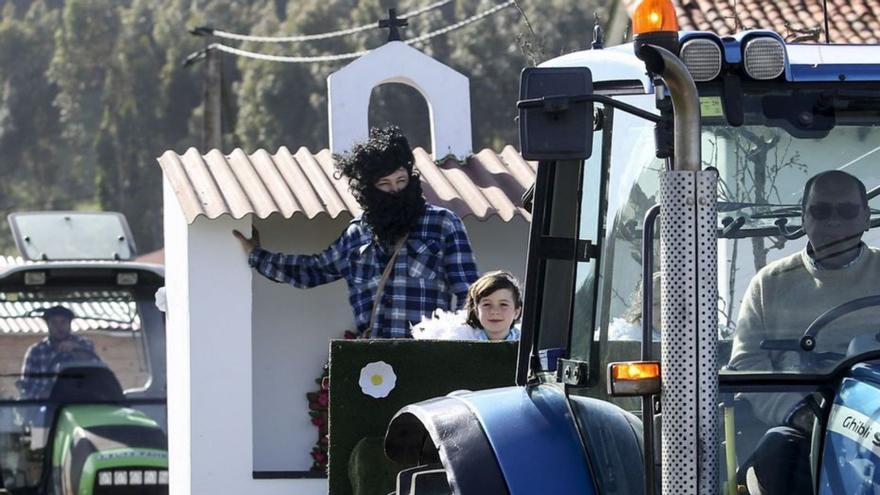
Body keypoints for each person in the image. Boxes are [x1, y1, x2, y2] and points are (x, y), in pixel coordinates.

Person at [234, 126, 479, 338]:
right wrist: (256, 256)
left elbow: (471, 296)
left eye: (401, 181)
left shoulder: (443, 224)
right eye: (384, 184)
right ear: (368, 190)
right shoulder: (356, 233)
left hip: (427, 358)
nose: (395, 190)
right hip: (373, 364)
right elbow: (312, 270)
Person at [729, 170, 880, 493]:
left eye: (847, 211)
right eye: (821, 211)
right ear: (804, 217)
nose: (834, 222)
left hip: (875, 415)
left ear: (866, 218)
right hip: (806, 421)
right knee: (778, 451)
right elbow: (746, 366)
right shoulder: (770, 284)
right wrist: (798, 412)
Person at [412, 270, 522, 341]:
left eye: (503, 304)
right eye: (487, 304)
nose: (494, 311)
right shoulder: (457, 340)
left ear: (516, 312)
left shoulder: (530, 345)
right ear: (476, 310)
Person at [19, 306, 96, 399]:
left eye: (63, 322)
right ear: (48, 325)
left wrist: (76, 350)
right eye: (54, 323)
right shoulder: (36, 351)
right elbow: (27, 387)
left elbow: (94, 369)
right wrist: (44, 395)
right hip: (46, 406)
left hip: (79, 402)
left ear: (69, 324)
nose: (59, 327)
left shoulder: (84, 344)